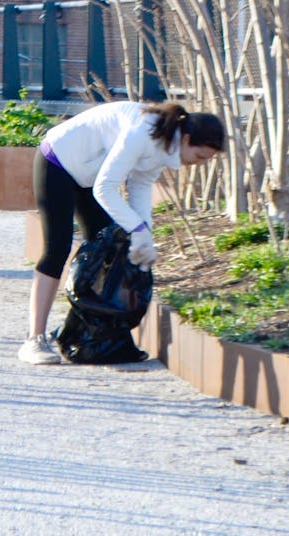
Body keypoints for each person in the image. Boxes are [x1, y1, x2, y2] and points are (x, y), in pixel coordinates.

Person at [19, 100, 226, 365]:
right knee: (57, 247)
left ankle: (79, 333)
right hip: (58, 161)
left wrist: (144, 235)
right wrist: (137, 230)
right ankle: (33, 339)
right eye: (200, 157)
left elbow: (140, 186)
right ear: (186, 139)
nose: (199, 164)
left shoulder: (165, 145)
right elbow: (106, 189)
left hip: (90, 176)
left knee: (106, 248)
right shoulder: (143, 132)